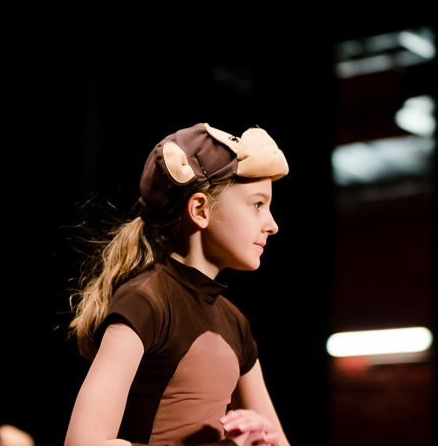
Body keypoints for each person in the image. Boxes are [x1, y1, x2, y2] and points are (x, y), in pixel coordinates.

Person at [64, 123, 291, 446]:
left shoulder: (235, 322)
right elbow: (83, 443)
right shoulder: (145, 302)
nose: (273, 225)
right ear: (200, 209)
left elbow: (277, 440)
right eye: (257, 205)